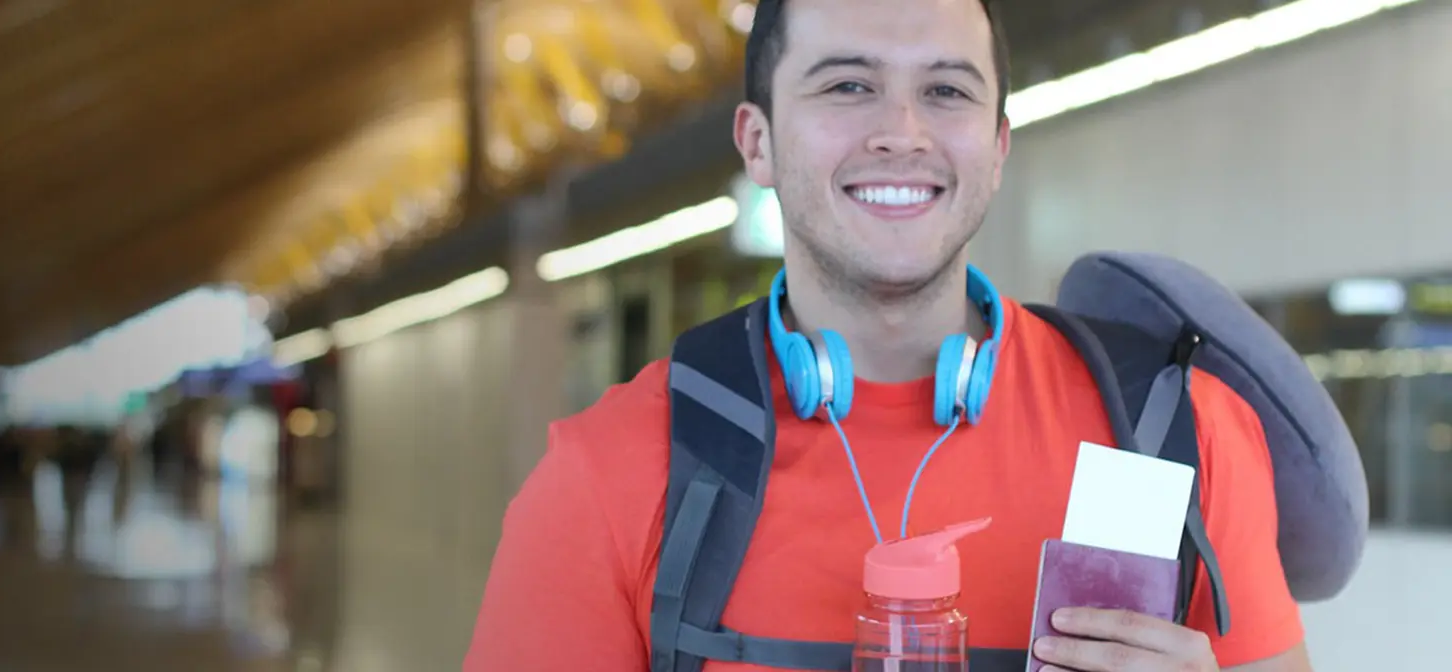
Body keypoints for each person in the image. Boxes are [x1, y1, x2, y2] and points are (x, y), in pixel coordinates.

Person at [464, 0, 1313, 670]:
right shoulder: (613, 474)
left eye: (946, 90)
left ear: (998, 145)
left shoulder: (1174, 433)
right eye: (846, 85)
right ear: (757, 142)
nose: (901, 132)